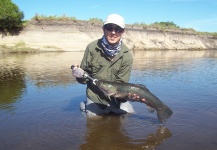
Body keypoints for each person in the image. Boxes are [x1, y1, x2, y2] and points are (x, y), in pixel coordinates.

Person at [72, 14, 136, 117]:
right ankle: (84, 105)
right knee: (92, 118)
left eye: (118, 29)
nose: (113, 32)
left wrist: (129, 96)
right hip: (95, 97)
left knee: (129, 114)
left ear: (122, 32)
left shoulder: (127, 55)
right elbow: (84, 80)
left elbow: (122, 84)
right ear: (103, 29)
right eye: (109, 28)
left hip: (116, 99)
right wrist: (78, 75)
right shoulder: (92, 48)